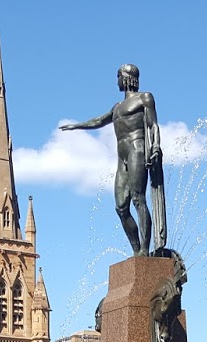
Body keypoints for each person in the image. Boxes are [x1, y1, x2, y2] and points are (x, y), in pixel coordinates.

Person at [60, 64, 167, 256]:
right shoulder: (117, 107)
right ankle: (136, 251)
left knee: (138, 199)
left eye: (118, 76)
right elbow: (98, 121)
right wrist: (76, 126)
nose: (116, 80)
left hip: (137, 149)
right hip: (122, 156)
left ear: (126, 77)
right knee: (121, 207)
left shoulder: (145, 98)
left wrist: (156, 146)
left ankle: (144, 249)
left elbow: (153, 125)